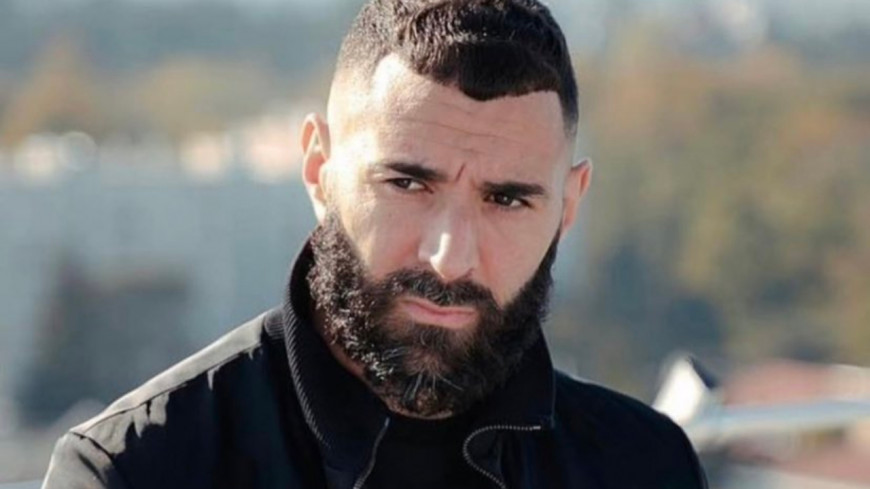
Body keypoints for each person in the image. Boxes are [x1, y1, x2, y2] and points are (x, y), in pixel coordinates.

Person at [43, 0, 708, 488]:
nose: (450, 256)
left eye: (506, 200)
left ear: (569, 205)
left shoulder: (644, 466)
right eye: (407, 184)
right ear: (318, 169)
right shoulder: (135, 469)